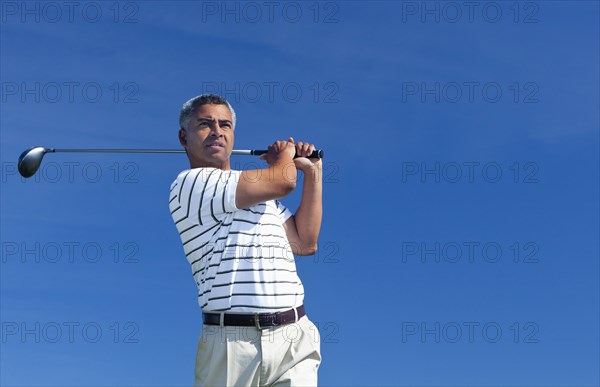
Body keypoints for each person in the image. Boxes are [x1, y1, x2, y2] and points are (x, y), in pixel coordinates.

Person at [169, 94, 323, 386]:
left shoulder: (264, 196)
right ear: (183, 137)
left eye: (225, 124)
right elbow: (283, 181)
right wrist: (284, 159)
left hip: (294, 337)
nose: (217, 131)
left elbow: (305, 242)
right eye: (205, 124)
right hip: (230, 344)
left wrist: (313, 172)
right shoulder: (190, 185)